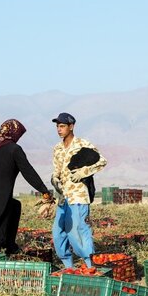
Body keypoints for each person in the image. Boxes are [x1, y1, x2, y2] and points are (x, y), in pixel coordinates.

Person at [0, 119, 52, 254]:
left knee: (15, 207)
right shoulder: (14, 149)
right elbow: (28, 172)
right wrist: (44, 190)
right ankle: (3, 248)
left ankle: (9, 245)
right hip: (2, 200)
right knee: (0, 225)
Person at [50, 112, 107, 268]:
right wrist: (54, 178)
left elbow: (102, 161)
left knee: (79, 231)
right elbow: (57, 169)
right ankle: (69, 267)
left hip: (79, 195)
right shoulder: (57, 148)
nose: (59, 129)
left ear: (71, 126)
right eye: (57, 126)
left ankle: (90, 266)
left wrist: (84, 172)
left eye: (62, 126)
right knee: (59, 232)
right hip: (63, 197)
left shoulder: (83, 144)